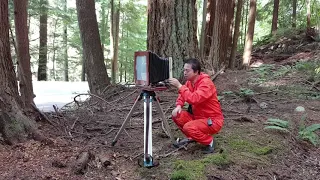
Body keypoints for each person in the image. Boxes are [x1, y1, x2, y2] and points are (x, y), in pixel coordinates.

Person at [168, 58, 224, 154]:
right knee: (176, 115)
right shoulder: (190, 82)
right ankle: (192, 137)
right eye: (184, 70)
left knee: (188, 127)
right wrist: (178, 106)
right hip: (197, 118)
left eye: (187, 70)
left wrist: (179, 86)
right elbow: (182, 96)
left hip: (212, 120)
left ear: (196, 71)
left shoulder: (206, 83)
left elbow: (194, 99)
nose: (184, 73)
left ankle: (209, 141)